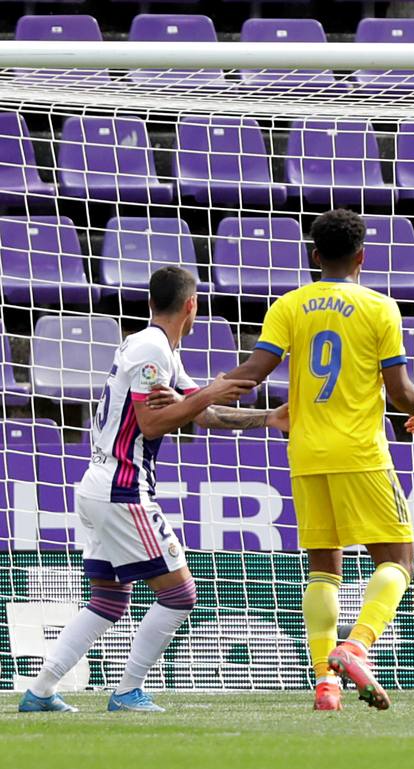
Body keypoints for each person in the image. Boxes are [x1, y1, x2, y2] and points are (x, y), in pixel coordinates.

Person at [19, 266, 282, 713]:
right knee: (180, 595)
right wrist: (212, 390)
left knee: (108, 598)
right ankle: (126, 691)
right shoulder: (150, 349)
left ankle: (40, 691)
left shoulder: (160, 349)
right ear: (191, 306)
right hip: (122, 488)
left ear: (149, 303)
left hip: (100, 486)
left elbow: (201, 414)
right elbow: (153, 421)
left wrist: (269, 419)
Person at [225, 209, 414, 712]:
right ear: (361, 256)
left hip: (307, 452)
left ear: (315, 255)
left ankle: (326, 686)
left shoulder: (289, 305)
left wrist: (199, 396)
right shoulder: (380, 308)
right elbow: (399, 388)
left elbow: (254, 370)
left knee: (324, 567)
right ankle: (356, 645)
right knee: (399, 559)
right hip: (361, 450)